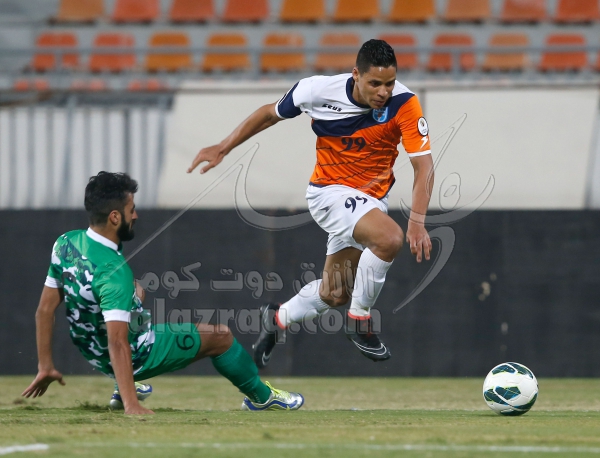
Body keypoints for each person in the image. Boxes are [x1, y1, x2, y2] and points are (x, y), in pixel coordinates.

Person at [187, 39, 433, 367]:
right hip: (329, 193)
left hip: (370, 203)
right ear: (356, 74)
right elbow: (269, 114)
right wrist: (223, 146)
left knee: (335, 294)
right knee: (389, 239)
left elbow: (424, 166)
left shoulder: (405, 103)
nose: (383, 92)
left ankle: (277, 318)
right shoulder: (316, 91)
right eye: (375, 83)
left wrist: (418, 219)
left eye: (389, 83)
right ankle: (359, 321)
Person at [22, 171, 304, 414]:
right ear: (114, 217)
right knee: (220, 336)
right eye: (131, 209)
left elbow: (44, 310)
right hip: (134, 353)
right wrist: (132, 405)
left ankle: (124, 384)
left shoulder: (66, 243)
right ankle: (261, 398)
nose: (136, 215)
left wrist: (45, 366)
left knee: (137, 293)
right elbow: (118, 343)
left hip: (91, 350)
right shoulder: (113, 272)